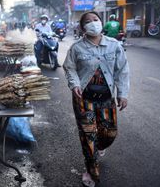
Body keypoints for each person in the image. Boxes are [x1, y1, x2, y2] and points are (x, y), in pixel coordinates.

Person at [63, 11, 129, 187]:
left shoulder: (114, 45)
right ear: (82, 27)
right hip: (84, 99)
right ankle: (91, 169)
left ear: (101, 22)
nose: (93, 23)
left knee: (109, 134)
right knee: (88, 135)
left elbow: (122, 70)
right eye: (88, 21)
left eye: (96, 19)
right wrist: (74, 84)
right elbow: (69, 68)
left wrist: (122, 93)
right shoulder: (77, 48)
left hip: (107, 99)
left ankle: (100, 147)